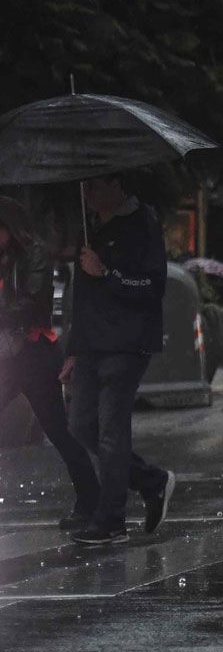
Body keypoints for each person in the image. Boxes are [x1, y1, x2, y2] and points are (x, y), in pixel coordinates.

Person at [62, 175, 176, 546]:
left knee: (112, 431)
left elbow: (152, 285)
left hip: (125, 345)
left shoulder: (141, 223)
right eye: (82, 187)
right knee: (81, 425)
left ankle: (111, 520)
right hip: (92, 346)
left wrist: (106, 272)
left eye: (92, 185)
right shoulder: (89, 226)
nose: (86, 193)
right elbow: (81, 297)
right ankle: (151, 481)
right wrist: (73, 351)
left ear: (115, 183)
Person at [0, 198, 99, 525]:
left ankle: (91, 501)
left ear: (10, 227)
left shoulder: (35, 254)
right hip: (6, 355)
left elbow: (31, 302)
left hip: (34, 353)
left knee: (58, 430)